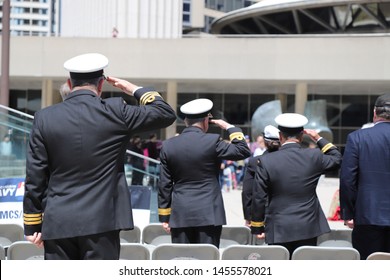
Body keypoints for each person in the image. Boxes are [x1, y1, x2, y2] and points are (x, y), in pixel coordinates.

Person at [23, 53, 176, 260]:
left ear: (69, 83)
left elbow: (35, 174)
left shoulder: (44, 118)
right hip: (103, 221)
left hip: (58, 221)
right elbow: (165, 113)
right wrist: (133, 89)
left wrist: (32, 224)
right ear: (101, 84)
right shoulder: (116, 111)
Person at [158, 98, 251, 248]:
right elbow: (243, 151)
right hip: (209, 212)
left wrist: (165, 215)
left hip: (181, 212)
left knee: (181, 260)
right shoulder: (212, 141)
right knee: (208, 258)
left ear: (186, 121)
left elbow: (164, 184)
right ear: (206, 121)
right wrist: (230, 127)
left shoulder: (168, 145)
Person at [250, 113, 342, 257]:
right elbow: (336, 158)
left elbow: (258, 196)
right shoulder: (314, 156)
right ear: (301, 136)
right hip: (308, 225)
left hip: (279, 225)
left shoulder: (266, 161)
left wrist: (257, 226)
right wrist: (318, 138)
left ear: (280, 136)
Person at [340, 93, 390, 260]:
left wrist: (348, 213)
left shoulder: (357, 138)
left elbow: (348, 179)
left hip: (367, 214)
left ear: (374, 112)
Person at [242, 125, 280, 226]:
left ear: (265, 142)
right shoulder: (291, 160)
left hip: (263, 214)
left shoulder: (255, 162)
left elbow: (247, 192)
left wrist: (248, 217)